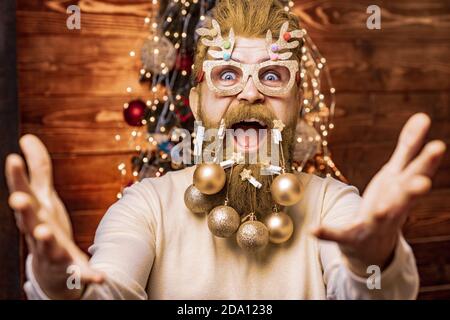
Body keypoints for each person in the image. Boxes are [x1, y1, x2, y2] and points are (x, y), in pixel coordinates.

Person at [5, 0, 446, 300]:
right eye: (228, 75)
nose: (251, 95)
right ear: (197, 102)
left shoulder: (335, 206)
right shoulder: (146, 207)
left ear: (296, 105)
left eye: (273, 76)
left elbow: (367, 292)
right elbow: (110, 288)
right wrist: (58, 286)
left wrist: (377, 263)